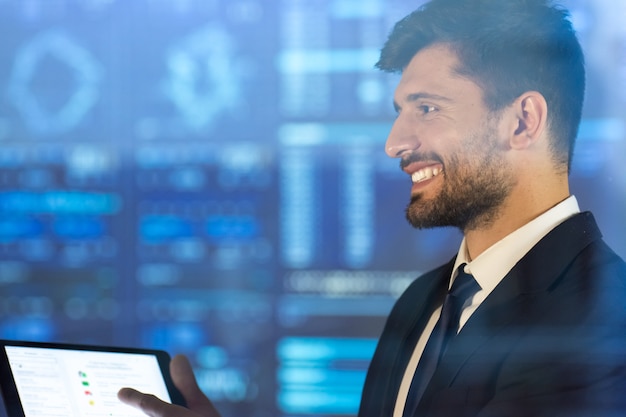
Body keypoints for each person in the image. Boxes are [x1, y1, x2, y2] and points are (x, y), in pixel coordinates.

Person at [118, 0, 626, 416]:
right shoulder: (422, 303)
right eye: (399, 112)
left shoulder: (604, 318)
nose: (394, 143)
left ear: (522, 121)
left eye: (427, 108)